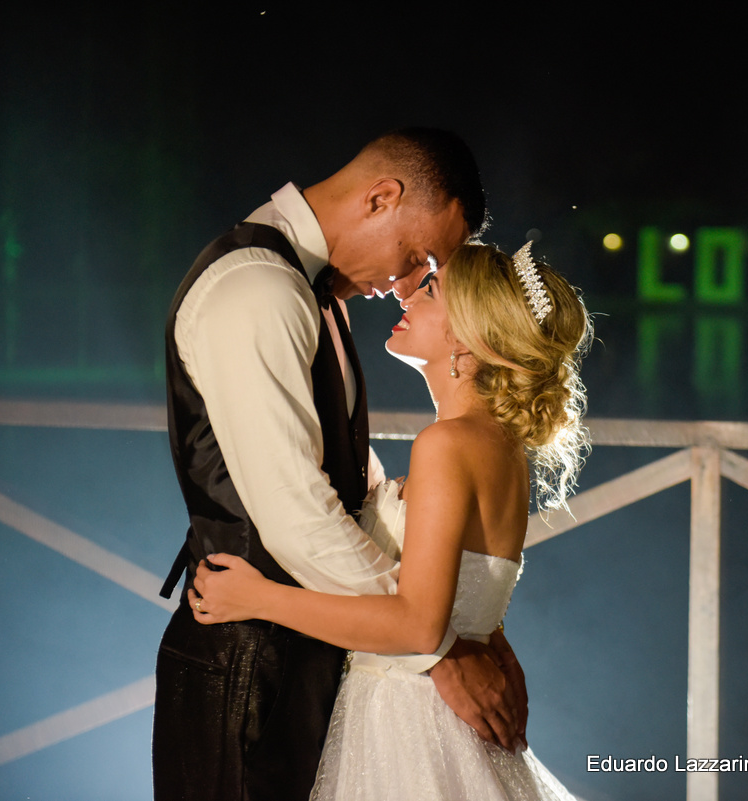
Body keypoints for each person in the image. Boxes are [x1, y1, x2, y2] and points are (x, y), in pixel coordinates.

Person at [154, 129, 527, 801]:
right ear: (380, 199)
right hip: (248, 665)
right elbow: (296, 516)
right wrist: (441, 647)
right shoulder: (258, 289)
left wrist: (471, 623)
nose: (408, 285)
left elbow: (336, 471)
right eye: (416, 258)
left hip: (309, 660)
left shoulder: (313, 293)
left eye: (427, 276)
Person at [191, 242, 591, 800]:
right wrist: (489, 637)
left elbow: (416, 627)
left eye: (431, 290)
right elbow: (471, 587)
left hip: (411, 725)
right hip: (441, 717)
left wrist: (257, 599)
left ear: (468, 338)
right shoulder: (499, 447)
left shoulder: (447, 444)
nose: (408, 295)